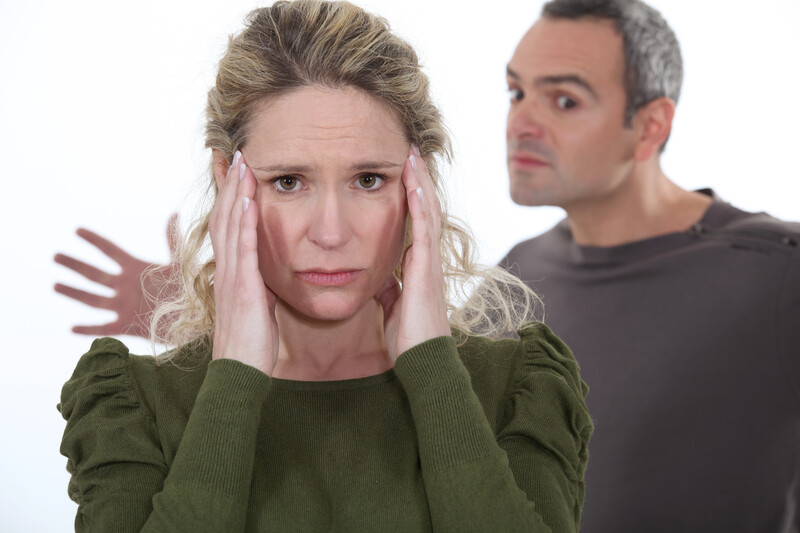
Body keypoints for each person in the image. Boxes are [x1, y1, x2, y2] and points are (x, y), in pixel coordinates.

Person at [57, 1, 592, 531]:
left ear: (418, 184)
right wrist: (235, 377)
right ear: (227, 181)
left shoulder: (517, 389)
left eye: (368, 180)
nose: (331, 233)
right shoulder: (134, 407)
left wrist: (432, 369)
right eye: (288, 182)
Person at [501, 0, 800, 531]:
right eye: (517, 92)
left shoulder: (778, 273)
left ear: (650, 125)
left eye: (564, 101)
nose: (520, 123)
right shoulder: (516, 278)